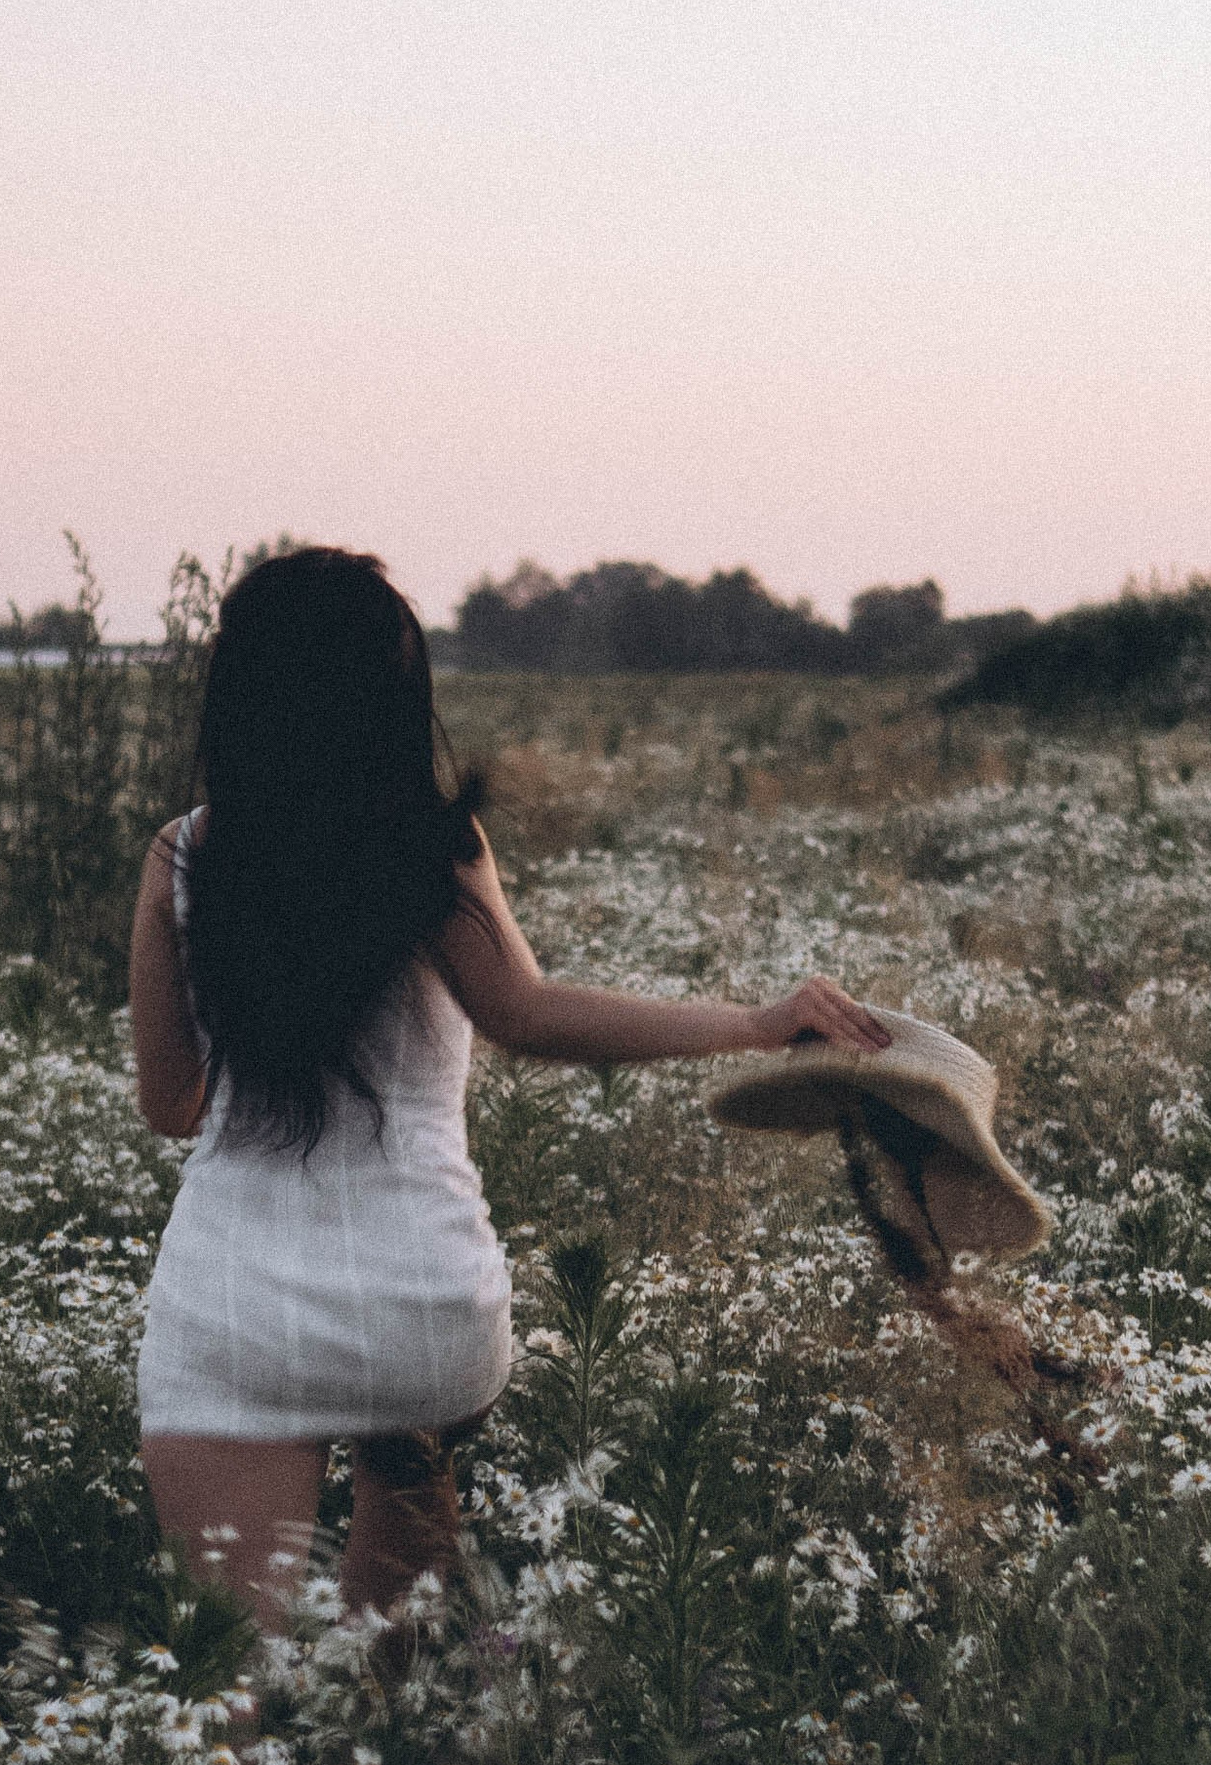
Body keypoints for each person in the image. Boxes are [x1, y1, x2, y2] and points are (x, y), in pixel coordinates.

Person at [131, 546, 886, 1657]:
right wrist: (753, 1023)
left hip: (236, 1318)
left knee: (224, 1690)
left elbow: (172, 1103)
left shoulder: (185, 858)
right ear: (393, 687)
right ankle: (407, 1718)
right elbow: (527, 1015)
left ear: (238, 690)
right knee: (395, 1651)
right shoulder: (430, 848)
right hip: (423, 1311)